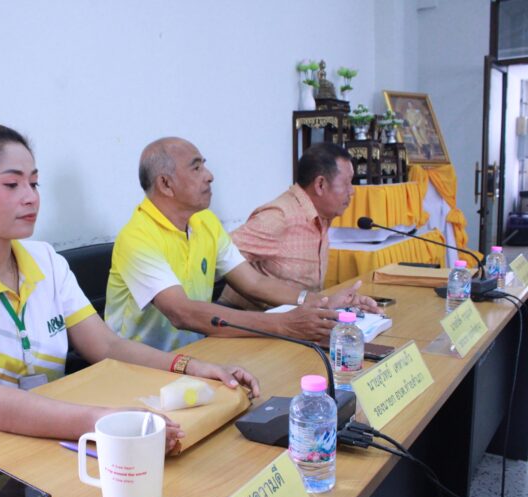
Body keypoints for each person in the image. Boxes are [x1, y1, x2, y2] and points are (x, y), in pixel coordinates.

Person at [0, 124, 259, 452]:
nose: (31, 197)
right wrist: (102, 422)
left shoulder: (46, 261)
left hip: (40, 435)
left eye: (34, 183)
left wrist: (190, 366)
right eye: (12, 184)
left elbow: (107, 346)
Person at [105, 137, 378, 352]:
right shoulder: (137, 238)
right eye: (196, 168)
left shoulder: (205, 222)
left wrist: (321, 302)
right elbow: (182, 313)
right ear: (165, 184)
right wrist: (283, 324)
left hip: (199, 354)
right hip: (139, 366)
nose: (209, 175)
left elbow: (253, 283)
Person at [219, 142, 356, 309]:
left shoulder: (323, 216)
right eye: (346, 183)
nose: (352, 191)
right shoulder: (279, 216)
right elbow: (219, 254)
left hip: (300, 315)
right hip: (252, 318)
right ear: (320, 184)